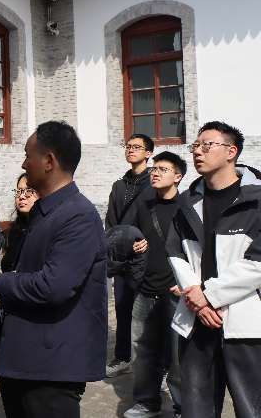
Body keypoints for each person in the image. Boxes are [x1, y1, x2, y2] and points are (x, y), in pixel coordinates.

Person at [0, 121, 107, 418]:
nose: (23, 164)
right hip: (25, 358)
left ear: (49, 161)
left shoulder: (78, 216)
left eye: (27, 156)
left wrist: (4, 282)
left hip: (51, 367)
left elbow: (53, 286)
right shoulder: (45, 211)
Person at [166, 121, 261, 418]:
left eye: (207, 145)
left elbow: (257, 263)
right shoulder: (187, 201)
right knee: (197, 408)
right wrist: (197, 298)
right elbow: (175, 252)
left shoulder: (256, 200)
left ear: (231, 152)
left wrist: (208, 295)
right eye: (196, 145)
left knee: (252, 407)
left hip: (245, 324)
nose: (198, 151)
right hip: (196, 320)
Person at [123, 151, 185, 418]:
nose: (155, 173)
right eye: (154, 169)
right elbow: (128, 235)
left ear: (178, 176)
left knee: (179, 356)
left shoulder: (188, 207)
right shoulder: (144, 205)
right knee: (143, 352)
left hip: (177, 292)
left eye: (163, 169)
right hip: (146, 290)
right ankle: (147, 401)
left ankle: (183, 406)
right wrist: (134, 244)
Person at [105, 133, 155, 377]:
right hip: (122, 257)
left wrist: (149, 242)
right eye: (128, 146)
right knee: (122, 307)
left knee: (147, 309)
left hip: (145, 255)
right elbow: (111, 221)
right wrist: (113, 246)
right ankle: (123, 357)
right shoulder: (119, 185)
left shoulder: (153, 183)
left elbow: (158, 218)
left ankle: (152, 362)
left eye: (137, 147)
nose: (131, 150)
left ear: (148, 153)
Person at [0, 173, 38, 273]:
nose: (21, 196)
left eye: (28, 191)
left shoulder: (44, 231)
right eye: (19, 191)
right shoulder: (11, 232)